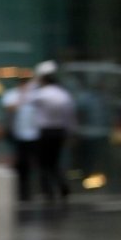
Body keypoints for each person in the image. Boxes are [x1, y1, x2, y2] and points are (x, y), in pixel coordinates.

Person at [31, 71, 76, 206]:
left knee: (44, 163)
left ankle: (48, 191)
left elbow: (29, 100)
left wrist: (34, 84)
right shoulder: (63, 94)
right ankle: (61, 187)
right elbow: (70, 115)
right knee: (54, 161)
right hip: (59, 131)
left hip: (46, 131)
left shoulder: (41, 94)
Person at [1, 77, 40, 202]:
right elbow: (9, 107)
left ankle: (31, 189)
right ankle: (21, 190)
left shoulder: (35, 95)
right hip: (18, 134)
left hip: (34, 135)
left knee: (32, 162)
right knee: (21, 163)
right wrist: (22, 98)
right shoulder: (13, 95)